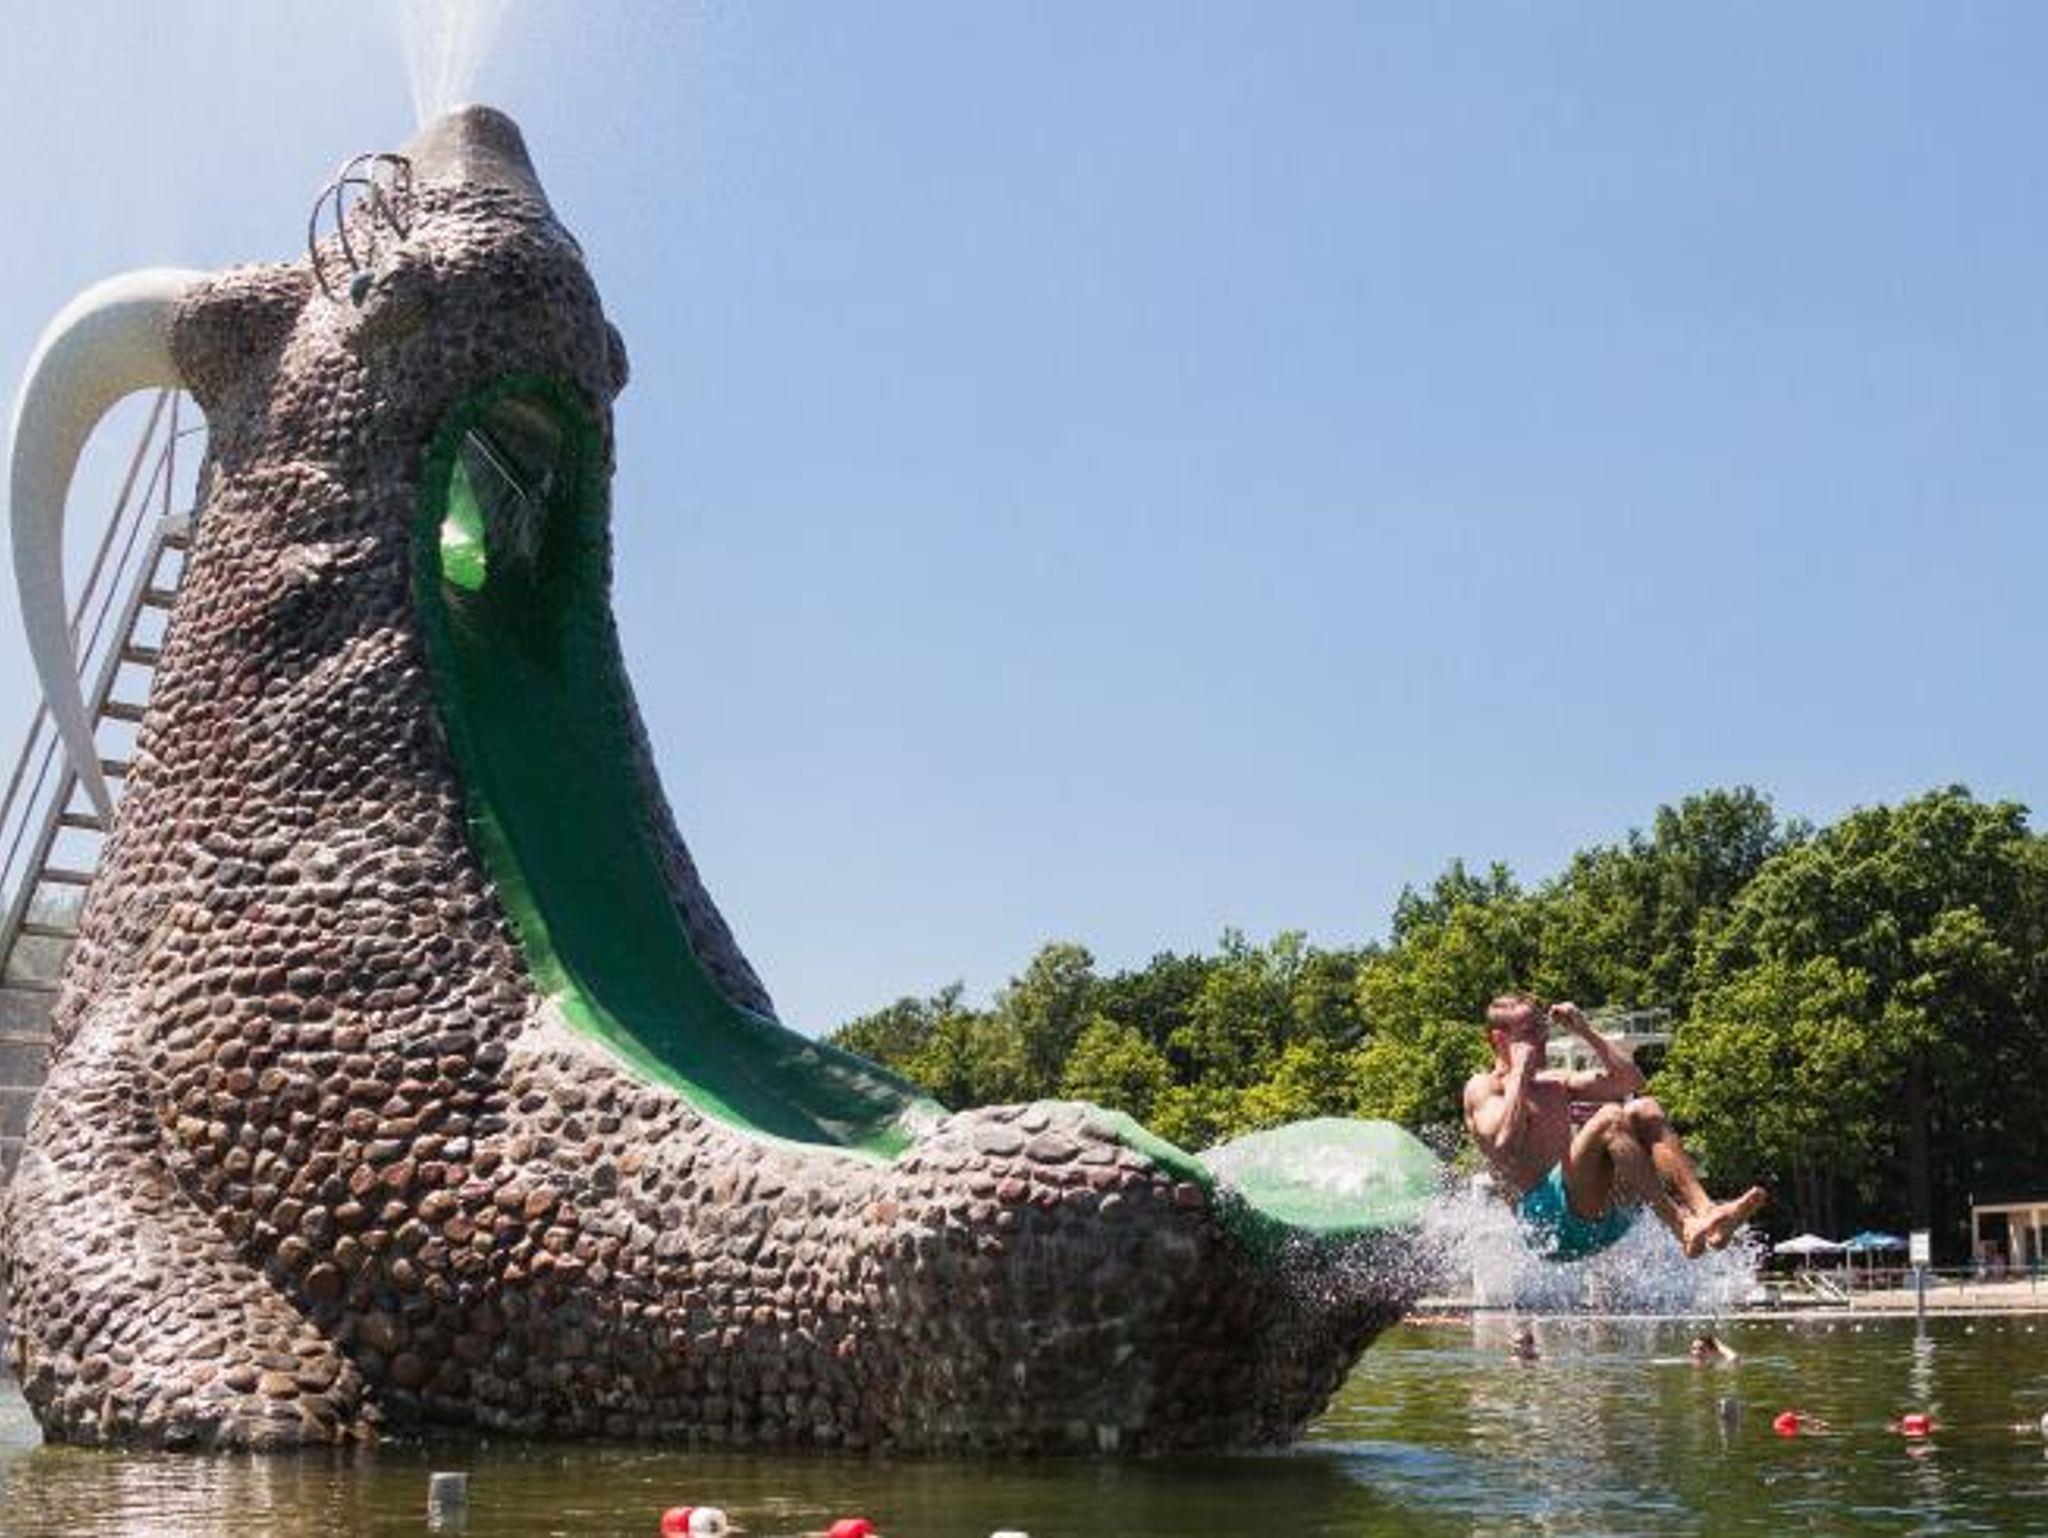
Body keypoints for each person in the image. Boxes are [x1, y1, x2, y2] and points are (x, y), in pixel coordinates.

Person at [1463, 994, 1767, 1261]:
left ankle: (1707, 1214)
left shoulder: (1554, 1082)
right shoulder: (1483, 1087)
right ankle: (1681, 1225)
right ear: (1500, 1040)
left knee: (1644, 1109)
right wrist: (1519, 1073)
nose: (1542, 1038)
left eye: (1542, 1028)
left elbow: (1631, 1081)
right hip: (1549, 1228)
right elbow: (1504, 1143)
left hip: (1601, 1221)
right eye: (1530, 1032)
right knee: (1610, 1118)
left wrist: (1585, 1031)